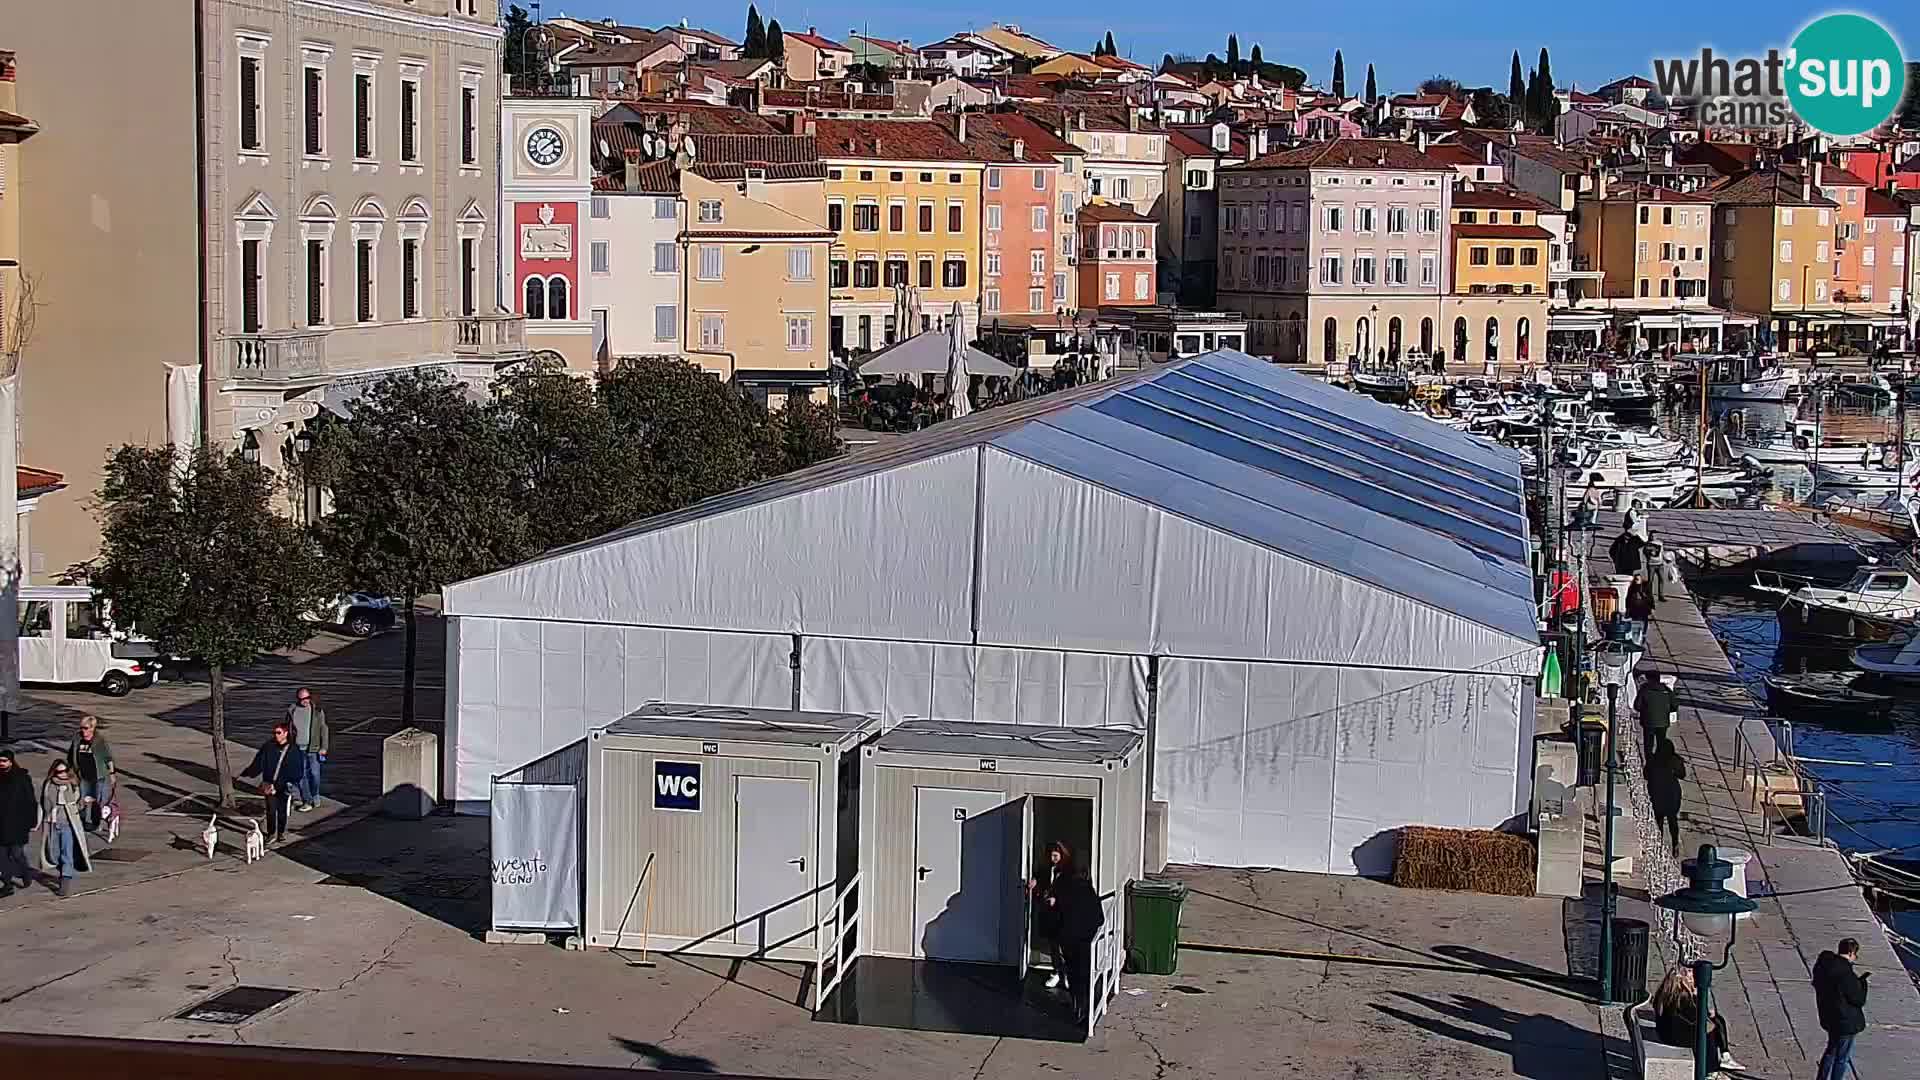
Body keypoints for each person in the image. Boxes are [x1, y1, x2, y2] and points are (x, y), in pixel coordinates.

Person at [1651, 965, 1744, 1073]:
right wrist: (1697, 996)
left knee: (1716, 1021)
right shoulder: (1684, 998)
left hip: (1665, 1032)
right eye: (1690, 973)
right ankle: (1712, 1069)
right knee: (1708, 1033)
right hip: (1673, 1037)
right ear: (1684, 979)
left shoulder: (1669, 992)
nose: (1694, 976)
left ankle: (1724, 1056)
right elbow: (1702, 1020)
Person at [1052, 858, 1105, 1024]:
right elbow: (1099, 918)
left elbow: (1057, 912)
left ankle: (1077, 1006)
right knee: (1084, 973)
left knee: (1073, 973)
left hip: (1067, 937)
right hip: (1084, 939)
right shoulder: (1087, 890)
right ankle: (1084, 1008)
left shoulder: (1062, 887)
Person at [240, 722, 307, 847]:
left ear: (286, 733)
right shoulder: (268, 746)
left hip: (284, 785)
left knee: (282, 810)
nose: (276, 735)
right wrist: (249, 772)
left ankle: (280, 832)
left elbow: (297, 770)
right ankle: (271, 833)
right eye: (275, 732)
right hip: (269, 784)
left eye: (278, 732)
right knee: (270, 810)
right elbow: (259, 762)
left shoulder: (293, 750)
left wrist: (289, 782)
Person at [1813, 938, 1870, 1080]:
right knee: (1842, 1058)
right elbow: (1858, 1000)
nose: (1855, 958)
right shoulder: (1846, 974)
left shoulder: (1824, 966)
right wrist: (1862, 984)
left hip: (1830, 1016)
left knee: (1830, 1052)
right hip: (1845, 1022)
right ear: (1851, 952)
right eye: (1855, 954)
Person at [39, 760, 91, 897]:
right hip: (52, 823)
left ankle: (65, 880)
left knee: (66, 853)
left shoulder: (73, 785)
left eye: (64, 771)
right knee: (53, 854)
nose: (62, 775)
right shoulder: (49, 784)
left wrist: (84, 803)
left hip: (68, 823)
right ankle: (62, 871)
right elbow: (43, 804)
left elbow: (79, 805)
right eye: (59, 772)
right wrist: (37, 823)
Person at [1029, 840, 1076, 990]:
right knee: (1054, 946)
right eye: (1051, 855)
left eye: (1056, 855)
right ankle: (1058, 972)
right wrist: (1035, 883)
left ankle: (1067, 974)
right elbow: (1041, 881)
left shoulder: (1070, 871)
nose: (1053, 858)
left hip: (1064, 914)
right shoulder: (1046, 869)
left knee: (1064, 946)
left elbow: (1072, 891)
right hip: (1050, 914)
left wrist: (1058, 899)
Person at [65, 715, 115, 833]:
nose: (83, 730)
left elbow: (108, 758)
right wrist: (70, 771)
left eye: (86, 728)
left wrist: (112, 773)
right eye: (82, 727)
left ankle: (96, 823)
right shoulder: (77, 738)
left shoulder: (99, 741)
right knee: (82, 800)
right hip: (83, 775)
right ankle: (81, 822)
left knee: (97, 801)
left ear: (92, 728)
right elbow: (71, 755)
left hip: (98, 776)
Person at [0, 749, 38, 897]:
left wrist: (32, 821)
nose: (1, 764)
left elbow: (30, 801)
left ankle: (25, 872)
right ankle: (7, 885)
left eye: (4, 761)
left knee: (16, 853)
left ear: (11, 761)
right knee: (2, 856)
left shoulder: (21, 778)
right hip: (1, 823)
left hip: (17, 824)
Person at [286, 688, 329, 811]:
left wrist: (324, 746)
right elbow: (287, 728)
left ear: (310, 697)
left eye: (306, 698)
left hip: (313, 748)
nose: (304, 701)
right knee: (301, 775)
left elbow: (324, 729)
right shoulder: (292, 710)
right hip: (297, 748)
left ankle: (314, 795)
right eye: (301, 699)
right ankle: (307, 800)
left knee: (315, 774)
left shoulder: (317, 711)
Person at [1645, 737, 1687, 857]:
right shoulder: (1675, 760)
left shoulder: (1653, 759)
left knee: (1658, 820)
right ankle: (1675, 844)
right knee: (1672, 820)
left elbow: (1646, 775)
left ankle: (1659, 844)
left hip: (1656, 793)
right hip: (1671, 794)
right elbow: (1682, 774)